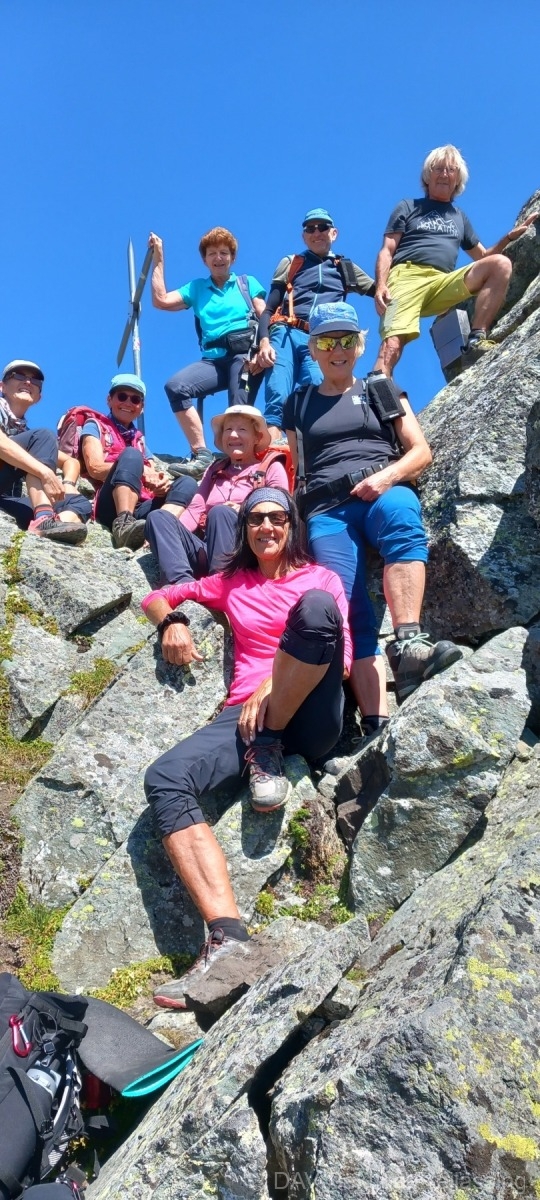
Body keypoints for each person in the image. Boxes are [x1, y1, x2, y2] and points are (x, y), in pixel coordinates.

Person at [142, 487, 352, 1007]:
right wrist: (170, 621)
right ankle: (228, 939)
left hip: (311, 709)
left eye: (277, 517)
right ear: (244, 530)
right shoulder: (232, 582)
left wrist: (273, 684)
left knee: (317, 609)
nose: (267, 527)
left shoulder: (320, 579)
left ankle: (270, 745)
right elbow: (158, 596)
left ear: (292, 525)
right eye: (255, 519)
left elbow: (343, 657)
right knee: (166, 777)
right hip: (245, 717)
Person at [284, 302, 463, 718]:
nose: (337, 349)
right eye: (327, 342)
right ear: (313, 349)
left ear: (360, 345)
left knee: (403, 519)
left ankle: (409, 644)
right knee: (345, 601)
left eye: (347, 339)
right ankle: (375, 719)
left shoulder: (380, 389)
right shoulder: (299, 403)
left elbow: (420, 451)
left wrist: (387, 477)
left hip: (383, 490)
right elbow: (297, 470)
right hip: (326, 510)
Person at [373, 144, 539, 376]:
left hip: (442, 281)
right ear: (427, 176)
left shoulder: (459, 217)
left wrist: (510, 237)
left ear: (458, 180)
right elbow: (387, 249)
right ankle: (379, 387)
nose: (444, 174)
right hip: (405, 278)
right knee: (392, 344)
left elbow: (483, 257)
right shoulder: (408, 206)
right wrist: (381, 284)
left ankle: (477, 339)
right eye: (438, 169)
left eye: (451, 170)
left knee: (500, 264)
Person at [149, 227, 267, 479]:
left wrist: (265, 347)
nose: (218, 258)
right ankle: (201, 455)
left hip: (244, 356)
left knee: (237, 410)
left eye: (224, 252)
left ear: (232, 257)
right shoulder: (197, 288)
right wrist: (158, 258)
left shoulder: (246, 283)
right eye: (212, 253)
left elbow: (266, 316)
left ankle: (242, 465)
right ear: (205, 260)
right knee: (176, 387)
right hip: (213, 359)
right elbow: (160, 300)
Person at [256, 208, 375, 441]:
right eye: (310, 229)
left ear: (334, 233)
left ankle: (314, 449)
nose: (316, 233)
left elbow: (379, 291)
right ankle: (275, 453)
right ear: (304, 236)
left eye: (323, 227)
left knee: (320, 389)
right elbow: (269, 309)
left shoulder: (344, 267)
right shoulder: (292, 262)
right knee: (277, 394)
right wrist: (264, 342)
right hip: (286, 333)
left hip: (323, 340)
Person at [145, 405, 289, 584]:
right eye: (228, 429)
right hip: (208, 547)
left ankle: (221, 585)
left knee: (220, 512)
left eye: (242, 429)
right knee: (158, 517)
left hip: (247, 551)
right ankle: (180, 584)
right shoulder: (214, 470)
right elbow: (195, 509)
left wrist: (243, 510)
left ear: (257, 437)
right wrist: (167, 535)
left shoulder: (270, 468)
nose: (233, 435)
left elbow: (281, 511)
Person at [78, 373, 196, 549]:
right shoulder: (95, 426)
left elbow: (153, 474)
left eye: (135, 399)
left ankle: (161, 528)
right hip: (109, 505)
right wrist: (139, 469)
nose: (128, 403)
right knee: (132, 455)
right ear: (109, 400)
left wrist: (160, 484)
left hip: (142, 506)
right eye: (122, 396)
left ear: (141, 407)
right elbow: (94, 468)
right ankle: (123, 526)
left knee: (187, 483)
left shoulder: (139, 441)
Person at [0, 360, 90, 543]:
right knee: (43, 437)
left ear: (39, 397)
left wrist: (68, 483)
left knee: (77, 502)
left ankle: (52, 526)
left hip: (4, 498)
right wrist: (45, 472)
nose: (28, 382)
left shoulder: (26, 435)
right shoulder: (35, 438)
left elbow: (71, 462)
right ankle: (44, 517)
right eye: (19, 375)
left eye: (35, 381)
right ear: (2, 386)